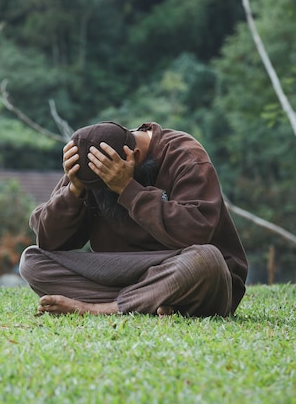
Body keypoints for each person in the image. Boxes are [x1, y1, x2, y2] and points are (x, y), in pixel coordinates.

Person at [19, 121, 248, 317]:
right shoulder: (93, 162)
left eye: (107, 183)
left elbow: (194, 233)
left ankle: (103, 308)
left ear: (135, 157)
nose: (104, 190)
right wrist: (74, 191)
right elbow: (49, 242)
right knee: (32, 261)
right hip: (122, 271)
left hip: (180, 265)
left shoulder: (185, 156)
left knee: (207, 261)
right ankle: (155, 299)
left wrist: (127, 189)